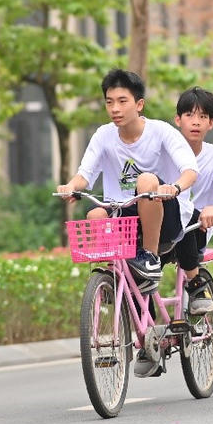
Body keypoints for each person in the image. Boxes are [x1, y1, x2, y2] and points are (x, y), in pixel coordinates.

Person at [56, 68, 198, 290]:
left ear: (139, 104)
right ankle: (118, 281)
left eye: (122, 101)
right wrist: (71, 186)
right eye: (109, 102)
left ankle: (150, 258)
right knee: (95, 214)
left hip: (165, 216)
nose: (115, 108)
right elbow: (85, 174)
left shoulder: (161, 131)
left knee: (146, 181)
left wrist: (175, 187)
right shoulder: (103, 135)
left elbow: (190, 170)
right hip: (126, 216)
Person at [171, 87, 213, 316]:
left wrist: (212, 210)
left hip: (198, 227)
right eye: (190, 115)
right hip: (166, 228)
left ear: (211, 123)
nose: (196, 122)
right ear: (178, 120)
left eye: (203, 117)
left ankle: (196, 288)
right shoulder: (164, 153)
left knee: (186, 216)